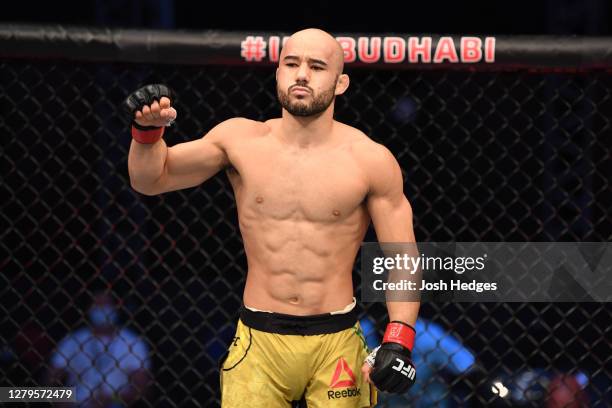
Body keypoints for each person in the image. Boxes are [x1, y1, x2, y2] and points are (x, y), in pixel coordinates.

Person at [125, 28, 419, 407]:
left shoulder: (370, 159)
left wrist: (399, 338)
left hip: (337, 339)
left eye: (316, 66)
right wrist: (147, 133)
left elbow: (402, 258)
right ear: (277, 72)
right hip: (258, 340)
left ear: (341, 82)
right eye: (291, 63)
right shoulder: (239, 140)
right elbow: (150, 179)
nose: (301, 74)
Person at [47, 292, 151, 407]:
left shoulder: (132, 342)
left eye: (106, 304)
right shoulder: (73, 340)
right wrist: (60, 399)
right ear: (88, 309)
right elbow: (50, 377)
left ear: (116, 307)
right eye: (97, 304)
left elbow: (142, 389)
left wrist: (110, 398)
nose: (101, 309)